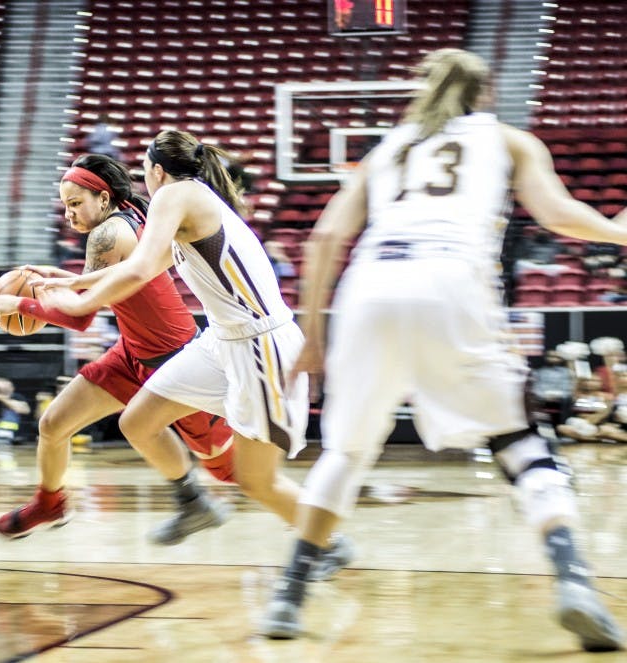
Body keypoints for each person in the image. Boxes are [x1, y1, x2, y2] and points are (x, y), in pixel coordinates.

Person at [267, 49, 626, 651]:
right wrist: (619, 230)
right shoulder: (508, 139)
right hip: (451, 280)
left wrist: (312, 337)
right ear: (485, 96)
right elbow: (559, 213)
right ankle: (575, 583)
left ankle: (288, 595)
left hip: (368, 286)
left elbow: (326, 236)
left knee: (348, 453)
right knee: (520, 441)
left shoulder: (387, 148)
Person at [21, 134, 352, 574]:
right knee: (137, 421)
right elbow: (147, 266)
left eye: (143, 169)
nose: (142, 178)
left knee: (256, 479)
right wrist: (68, 280)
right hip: (221, 340)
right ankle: (192, 504)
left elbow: (139, 269)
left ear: (157, 171)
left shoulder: (175, 195)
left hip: (260, 344)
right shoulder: (188, 200)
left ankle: (327, 544)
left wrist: (79, 303)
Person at [0, 154, 238, 542]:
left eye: (75, 204)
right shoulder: (125, 215)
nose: (68, 214)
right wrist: (65, 279)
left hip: (175, 357)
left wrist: (23, 305)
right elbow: (111, 282)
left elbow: (82, 318)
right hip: (134, 351)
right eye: (64, 206)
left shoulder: (106, 235)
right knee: (53, 425)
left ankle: (306, 522)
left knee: (232, 471)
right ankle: (49, 503)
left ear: (102, 198)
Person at [531, 349, 577, 429]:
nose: (553, 359)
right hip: (542, 398)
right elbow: (535, 387)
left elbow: (568, 388)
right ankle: (542, 429)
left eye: (556, 357)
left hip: (562, 400)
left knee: (569, 400)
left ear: (561, 359)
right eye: (550, 356)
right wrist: (544, 396)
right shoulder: (538, 372)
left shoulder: (566, 372)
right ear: (545, 357)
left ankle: (562, 428)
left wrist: (560, 396)